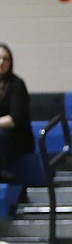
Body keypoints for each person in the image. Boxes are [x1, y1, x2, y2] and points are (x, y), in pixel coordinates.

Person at [0, 43, 34, 182]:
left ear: (10, 62)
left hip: (18, 138)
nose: (1, 62)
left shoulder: (17, 84)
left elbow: (15, 119)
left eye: (5, 59)